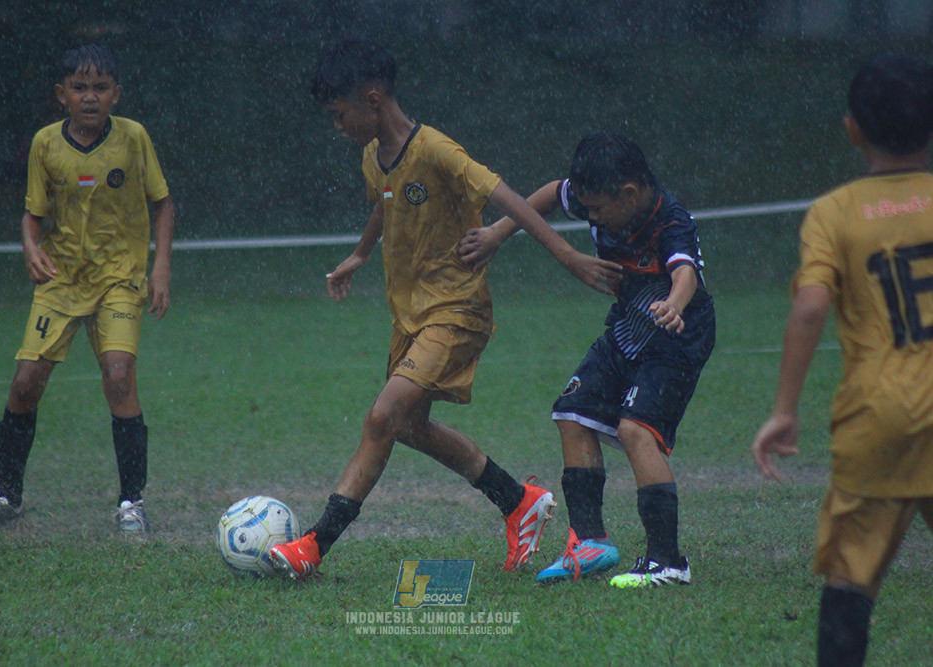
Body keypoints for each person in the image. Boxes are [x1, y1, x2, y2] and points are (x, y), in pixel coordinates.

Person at [268, 40, 618, 579]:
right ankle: (517, 501)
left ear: (373, 98)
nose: (337, 126)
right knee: (408, 426)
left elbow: (510, 199)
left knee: (382, 416)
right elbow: (385, 203)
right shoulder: (371, 156)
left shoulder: (436, 150)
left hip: (456, 309)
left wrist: (569, 257)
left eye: (340, 115)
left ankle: (314, 544)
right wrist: (361, 253)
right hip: (408, 315)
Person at [460, 131, 716, 587]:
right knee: (572, 414)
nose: (590, 216)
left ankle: (668, 561)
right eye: (585, 207)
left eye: (596, 210)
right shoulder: (594, 196)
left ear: (629, 194)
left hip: (678, 333)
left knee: (636, 431)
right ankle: (591, 541)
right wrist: (498, 233)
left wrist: (674, 305)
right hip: (628, 324)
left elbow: (685, 271)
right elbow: (549, 195)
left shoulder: (670, 220)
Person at [751, 52, 933, 666]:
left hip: (880, 415)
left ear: (852, 128)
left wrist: (783, 410)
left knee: (851, 577)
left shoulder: (836, 212)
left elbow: (809, 307)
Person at [0, 44, 174, 534]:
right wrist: (31, 246)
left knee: (120, 376)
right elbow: (32, 215)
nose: (89, 97)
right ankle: (7, 496)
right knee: (25, 383)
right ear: (61, 95)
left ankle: (130, 503)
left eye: (99, 87)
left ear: (116, 94)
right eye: (79, 87)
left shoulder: (134, 138)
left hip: (119, 277)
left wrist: (160, 269)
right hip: (61, 279)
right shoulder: (45, 144)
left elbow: (162, 203)